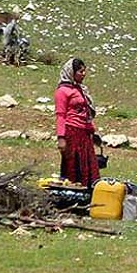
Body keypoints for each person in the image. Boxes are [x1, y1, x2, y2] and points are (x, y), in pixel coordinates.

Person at [55, 57, 99, 187]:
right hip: (71, 132)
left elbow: (86, 112)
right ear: (71, 73)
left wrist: (92, 130)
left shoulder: (80, 89)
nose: (83, 74)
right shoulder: (62, 91)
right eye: (80, 71)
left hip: (84, 134)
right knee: (73, 165)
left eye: (84, 71)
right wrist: (61, 138)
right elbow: (61, 115)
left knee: (88, 164)